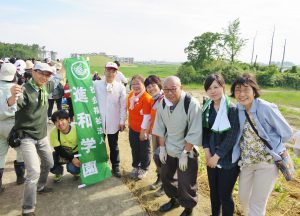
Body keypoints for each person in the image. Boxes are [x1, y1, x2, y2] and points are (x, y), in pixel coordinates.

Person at [230, 73, 293, 216]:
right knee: (243, 198)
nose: (241, 94)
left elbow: (286, 132)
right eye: (238, 90)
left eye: (246, 90)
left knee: (257, 204)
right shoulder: (239, 109)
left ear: (254, 91)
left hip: (267, 163)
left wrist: (274, 147)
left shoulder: (265, 107)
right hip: (246, 162)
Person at [9, 62, 55, 216]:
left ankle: (41, 186)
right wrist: (12, 96)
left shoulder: (46, 86)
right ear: (33, 72)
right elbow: (13, 105)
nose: (44, 77)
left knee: (49, 162)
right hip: (27, 136)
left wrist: (66, 65)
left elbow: (60, 75)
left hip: (42, 135)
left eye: (47, 74)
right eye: (41, 73)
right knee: (34, 171)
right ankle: (28, 209)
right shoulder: (25, 90)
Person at [153, 76, 202, 216]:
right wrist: (162, 148)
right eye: (166, 90)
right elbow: (160, 128)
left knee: (186, 182)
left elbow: (194, 131)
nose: (169, 93)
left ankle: (188, 208)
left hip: (186, 149)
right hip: (169, 147)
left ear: (181, 87)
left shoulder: (191, 104)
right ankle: (174, 199)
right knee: (166, 176)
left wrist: (185, 154)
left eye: (173, 89)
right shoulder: (163, 103)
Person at [202, 74, 240, 216]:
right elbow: (204, 132)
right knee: (214, 193)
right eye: (209, 88)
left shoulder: (232, 109)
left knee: (225, 195)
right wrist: (207, 153)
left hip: (228, 160)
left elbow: (231, 137)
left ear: (223, 87)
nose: (213, 91)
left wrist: (216, 156)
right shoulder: (207, 108)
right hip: (210, 157)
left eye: (216, 87)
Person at [93, 62, 126, 178]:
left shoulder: (120, 87)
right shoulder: (96, 84)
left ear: (116, 73)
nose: (110, 73)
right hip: (98, 121)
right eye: (108, 70)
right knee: (99, 144)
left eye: (113, 71)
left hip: (113, 121)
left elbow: (123, 106)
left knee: (114, 144)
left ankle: (115, 166)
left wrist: (122, 121)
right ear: (104, 71)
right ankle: (100, 164)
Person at [0, 63, 26, 193]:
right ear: (14, 74)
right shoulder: (16, 88)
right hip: (13, 124)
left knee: (0, 155)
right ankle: (20, 177)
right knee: (20, 150)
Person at [127, 75, 153, 179]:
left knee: (145, 150)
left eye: (138, 83)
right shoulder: (131, 96)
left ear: (143, 84)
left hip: (144, 130)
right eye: (133, 83)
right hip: (133, 128)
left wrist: (143, 132)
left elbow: (147, 117)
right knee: (135, 148)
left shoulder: (146, 97)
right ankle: (136, 166)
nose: (135, 86)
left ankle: (144, 168)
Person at [144, 75, 165, 196]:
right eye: (148, 87)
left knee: (164, 160)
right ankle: (160, 179)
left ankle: (165, 186)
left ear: (159, 85)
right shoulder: (154, 99)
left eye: (153, 85)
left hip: (164, 136)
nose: (151, 88)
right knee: (157, 159)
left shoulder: (164, 99)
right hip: (155, 133)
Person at [50, 110, 80, 182]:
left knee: (72, 168)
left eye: (61, 120)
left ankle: (77, 172)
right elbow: (58, 149)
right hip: (63, 153)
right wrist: (72, 158)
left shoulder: (77, 128)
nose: (60, 123)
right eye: (56, 121)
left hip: (77, 153)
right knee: (49, 161)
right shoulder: (54, 132)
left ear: (68, 120)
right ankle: (58, 172)